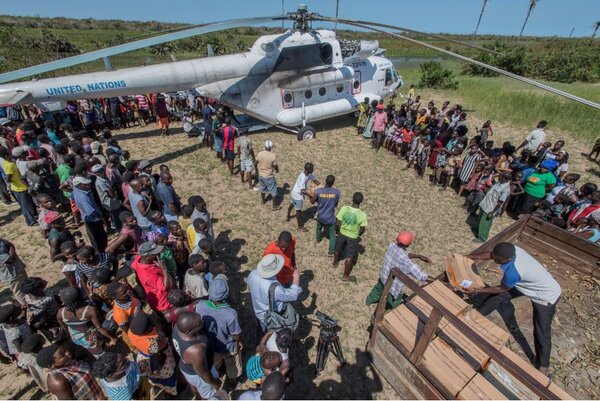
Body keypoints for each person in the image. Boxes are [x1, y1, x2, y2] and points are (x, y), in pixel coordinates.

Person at [465, 242, 561, 376]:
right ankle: (476, 315)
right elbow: (491, 254)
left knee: (541, 331)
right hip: (526, 282)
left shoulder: (513, 272)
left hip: (545, 296)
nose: (496, 262)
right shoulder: (510, 250)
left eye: (499, 261)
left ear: (509, 259)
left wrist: (480, 290)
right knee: (497, 298)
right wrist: (468, 257)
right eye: (496, 258)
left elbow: (502, 288)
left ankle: (542, 368)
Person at [195, 278, 243, 388]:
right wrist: (240, 342)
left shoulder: (200, 305)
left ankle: (217, 374)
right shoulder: (231, 313)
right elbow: (235, 334)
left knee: (214, 362)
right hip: (228, 347)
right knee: (232, 364)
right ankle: (232, 382)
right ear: (226, 294)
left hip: (210, 346)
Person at [365, 231, 431, 309]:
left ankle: (368, 301)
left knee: (377, 290)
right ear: (409, 244)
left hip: (383, 278)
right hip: (394, 286)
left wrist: (418, 256)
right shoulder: (407, 262)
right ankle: (389, 312)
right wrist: (436, 280)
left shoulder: (391, 246)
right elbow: (421, 275)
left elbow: (404, 254)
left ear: (397, 239)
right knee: (394, 303)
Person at [247, 254, 302, 339]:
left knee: (261, 331)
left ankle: (259, 345)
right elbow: (293, 295)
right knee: (275, 335)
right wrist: (296, 277)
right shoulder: (275, 288)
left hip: (258, 311)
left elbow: (249, 286)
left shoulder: (253, 274)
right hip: (273, 317)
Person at [172, 311, 221, 399]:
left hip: (186, 367)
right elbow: (204, 374)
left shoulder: (178, 327)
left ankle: (196, 395)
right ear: (188, 331)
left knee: (194, 385)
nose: (202, 322)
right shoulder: (195, 350)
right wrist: (215, 382)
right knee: (207, 394)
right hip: (198, 375)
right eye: (199, 324)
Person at [56, 287, 117, 357]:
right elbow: (99, 327)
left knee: (92, 348)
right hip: (90, 336)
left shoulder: (60, 313)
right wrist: (112, 338)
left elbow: (65, 327)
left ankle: (97, 353)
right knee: (111, 319)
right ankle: (103, 352)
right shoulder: (88, 310)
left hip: (76, 337)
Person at [127, 313, 178, 397]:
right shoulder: (153, 341)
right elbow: (156, 365)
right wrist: (156, 370)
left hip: (143, 356)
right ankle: (172, 391)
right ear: (149, 328)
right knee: (166, 376)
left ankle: (155, 384)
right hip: (159, 356)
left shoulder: (131, 332)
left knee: (151, 376)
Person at [36, 343, 104, 400]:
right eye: (62, 355)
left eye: (65, 350)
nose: (68, 353)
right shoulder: (58, 381)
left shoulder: (68, 362)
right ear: (51, 365)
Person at [332, 192, 367, 281]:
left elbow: (337, 223)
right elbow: (362, 230)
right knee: (349, 257)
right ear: (361, 202)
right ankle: (345, 276)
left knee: (337, 249)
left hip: (342, 233)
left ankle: (334, 263)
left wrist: (337, 231)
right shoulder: (363, 215)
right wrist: (357, 234)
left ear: (352, 199)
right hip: (353, 237)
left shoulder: (344, 208)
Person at [130, 242, 174, 313]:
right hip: (165, 304)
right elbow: (167, 287)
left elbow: (133, 265)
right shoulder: (148, 275)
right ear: (147, 256)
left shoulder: (139, 259)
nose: (159, 254)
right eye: (155, 254)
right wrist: (164, 269)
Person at [0, 146, 37, 225]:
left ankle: (33, 216)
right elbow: (8, 179)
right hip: (19, 188)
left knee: (28, 204)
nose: (11, 155)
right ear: (6, 156)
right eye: (9, 153)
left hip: (20, 187)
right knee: (26, 205)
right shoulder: (9, 165)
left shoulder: (7, 162)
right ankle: (30, 221)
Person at [72, 176, 108, 252]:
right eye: (85, 184)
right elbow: (91, 211)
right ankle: (101, 252)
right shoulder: (83, 196)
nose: (87, 186)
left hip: (87, 217)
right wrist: (100, 217)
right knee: (99, 237)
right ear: (79, 185)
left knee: (95, 237)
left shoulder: (76, 191)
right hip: (93, 219)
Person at [476, 172, 512, 242]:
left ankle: (482, 238)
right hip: (486, 203)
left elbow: (500, 202)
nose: (499, 177)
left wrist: (492, 212)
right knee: (480, 219)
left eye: (501, 176)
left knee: (485, 223)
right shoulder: (499, 182)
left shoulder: (506, 189)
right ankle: (478, 231)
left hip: (491, 208)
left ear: (505, 178)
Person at [310, 175, 341, 256]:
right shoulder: (337, 192)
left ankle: (318, 239)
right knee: (332, 234)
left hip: (320, 216)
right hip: (330, 218)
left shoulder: (318, 191)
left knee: (319, 227)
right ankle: (331, 252)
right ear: (333, 183)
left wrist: (309, 194)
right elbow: (335, 204)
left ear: (325, 180)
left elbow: (312, 202)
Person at [287, 162, 318, 232]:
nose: (313, 169)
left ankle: (288, 215)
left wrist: (321, 186)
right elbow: (303, 191)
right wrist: (311, 195)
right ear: (309, 169)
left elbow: (315, 180)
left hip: (294, 192)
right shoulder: (303, 177)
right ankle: (300, 226)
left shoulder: (307, 173)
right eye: (312, 169)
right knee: (298, 211)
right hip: (298, 195)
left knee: (291, 204)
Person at [91, 164, 123, 232]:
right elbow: (111, 194)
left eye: (102, 170)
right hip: (111, 203)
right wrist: (114, 189)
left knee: (114, 216)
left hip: (111, 202)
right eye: (100, 171)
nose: (102, 172)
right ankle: (119, 230)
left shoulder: (103, 178)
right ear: (96, 173)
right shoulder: (101, 181)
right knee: (116, 217)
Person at [0, 238, 28, 306]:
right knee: (19, 292)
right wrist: (11, 249)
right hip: (12, 274)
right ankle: (26, 307)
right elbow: (10, 259)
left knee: (26, 285)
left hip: (18, 268)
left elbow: (10, 244)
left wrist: (11, 247)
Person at [256, 140, 281, 210]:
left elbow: (255, 162)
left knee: (262, 188)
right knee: (273, 190)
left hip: (261, 174)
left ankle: (263, 201)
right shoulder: (273, 156)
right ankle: (275, 206)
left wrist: (257, 170)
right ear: (271, 147)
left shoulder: (260, 153)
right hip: (268, 175)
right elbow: (275, 166)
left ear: (265, 146)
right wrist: (277, 170)